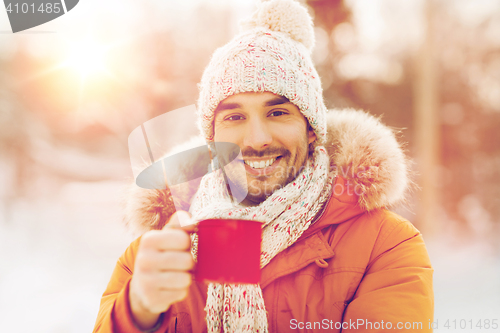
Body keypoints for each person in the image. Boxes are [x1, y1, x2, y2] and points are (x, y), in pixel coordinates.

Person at [93, 0, 434, 332]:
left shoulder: (386, 246)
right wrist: (136, 315)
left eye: (277, 112)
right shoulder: (154, 254)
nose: (256, 139)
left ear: (312, 129)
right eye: (235, 117)